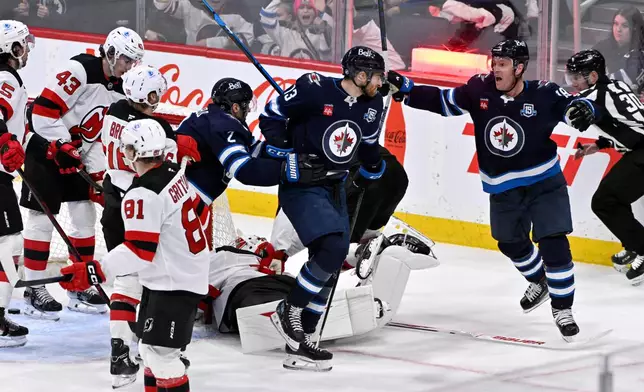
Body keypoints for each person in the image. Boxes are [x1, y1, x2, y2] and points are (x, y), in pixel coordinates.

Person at [387, 39, 601, 342]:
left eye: (502, 65)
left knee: (553, 242)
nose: (495, 69)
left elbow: (574, 108)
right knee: (508, 241)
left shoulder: (544, 93)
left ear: (519, 68)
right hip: (503, 188)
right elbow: (444, 101)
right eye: (494, 63)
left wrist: (584, 110)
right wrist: (407, 90)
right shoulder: (479, 89)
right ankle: (539, 279)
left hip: (544, 183)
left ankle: (563, 310)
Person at [258, 45, 386, 369]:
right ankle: (291, 309)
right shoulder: (313, 87)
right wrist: (286, 154)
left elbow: (368, 144)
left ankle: (304, 339)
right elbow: (271, 114)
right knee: (333, 247)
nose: (380, 82)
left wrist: (374, 167)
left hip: (335, 185)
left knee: (328, 261)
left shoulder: (373, 104)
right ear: (359, 75)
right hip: (302, 186)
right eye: (375, 76)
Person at [60, 119, 209, 392]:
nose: (123, 152)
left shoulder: (143, 193)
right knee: (150, 350)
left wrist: (94, 270)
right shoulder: (173, 171)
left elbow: (140, 252)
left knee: (163, 357)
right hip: (175, 274)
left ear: (136, 151)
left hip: (174, 282)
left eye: (127, 148)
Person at [19, 26, 144, 319]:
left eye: (134, 62)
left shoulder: (118, 91)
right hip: (45, 150)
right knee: (41, 220)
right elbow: (43, 112)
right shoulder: (79, 69)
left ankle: (80, 284)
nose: (129, 67)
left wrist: (98, 174)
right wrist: (61, 144)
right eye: (127, 59)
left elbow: (98, 137)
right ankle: (34, 287)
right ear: (111, 53)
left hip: (75, 155)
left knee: (84, 218)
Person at [100, 65, 200, 388]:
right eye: (154, 93)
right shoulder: (158, 135)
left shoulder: (113, 111)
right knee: (138, 275)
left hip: (116, 199)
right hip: (142, 207)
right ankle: (158, 346)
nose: (158, 99)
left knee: (127, 281)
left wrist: (98, 268)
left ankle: (120, 350)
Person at [175, 77, 331, 211]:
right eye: (246, 105)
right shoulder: (223, 127)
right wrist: (288, 170)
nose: (248, 109)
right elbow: (245, 170)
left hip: (182, 194)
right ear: (235, 107)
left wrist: (292, 153)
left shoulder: (216, 118)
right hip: (185, 200)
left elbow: (255, 149)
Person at [567, 49, 644, 285]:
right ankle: (633, 244)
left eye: (577, 77)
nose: (574, 82)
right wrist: (600, 144)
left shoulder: (592, 96)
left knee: (604, 201)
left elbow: (584, 111)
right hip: (640, 150)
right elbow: (627, 126)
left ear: (591, 76)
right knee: (614, 199)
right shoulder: (616, 86)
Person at [0, 19, 33, 347]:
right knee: (9, 244)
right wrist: (5, 142)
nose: (26, 50)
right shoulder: (6, 76)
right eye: (22, 44)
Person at [153, 0, 254, 49]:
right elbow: (164, 5)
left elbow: (247, 38)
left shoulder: (239, 9)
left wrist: (209, 43)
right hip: (193, 60)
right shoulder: (190, 5)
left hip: (227, 63)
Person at [593, 6, 644, 95]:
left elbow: (623, 82)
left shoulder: (640, 52)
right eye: (615, 24)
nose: (618, 29)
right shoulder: (602, 46)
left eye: (624, 26)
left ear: (635, 28)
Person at [259, 0, 333, 61]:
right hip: (287, 78)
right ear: (296, 12)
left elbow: (326, 57)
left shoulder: (321, 32)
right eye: (301, 7)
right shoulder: (285, 32)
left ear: (315, 13)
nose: (305, 10)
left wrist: (323, 27)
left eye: (310, 8)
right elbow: (265, 17)